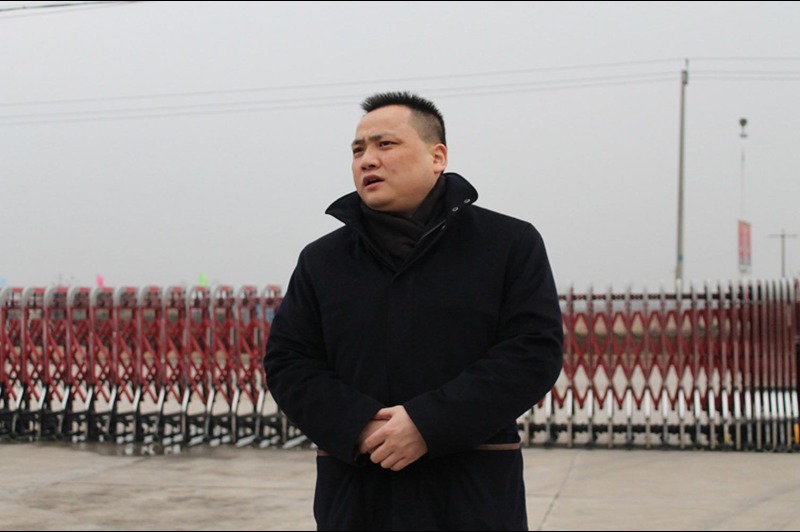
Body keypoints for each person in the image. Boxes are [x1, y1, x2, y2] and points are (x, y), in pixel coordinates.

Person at [263, 91, 564, 531]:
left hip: (470, 494)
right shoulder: (322, 261)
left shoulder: (508, 244)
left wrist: (427, 424)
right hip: (358, 494)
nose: (367, 160)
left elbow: (532, 352)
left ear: (437, 156)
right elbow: (289, 361)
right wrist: (359, 425)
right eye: (358, 150)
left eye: (385, 144)